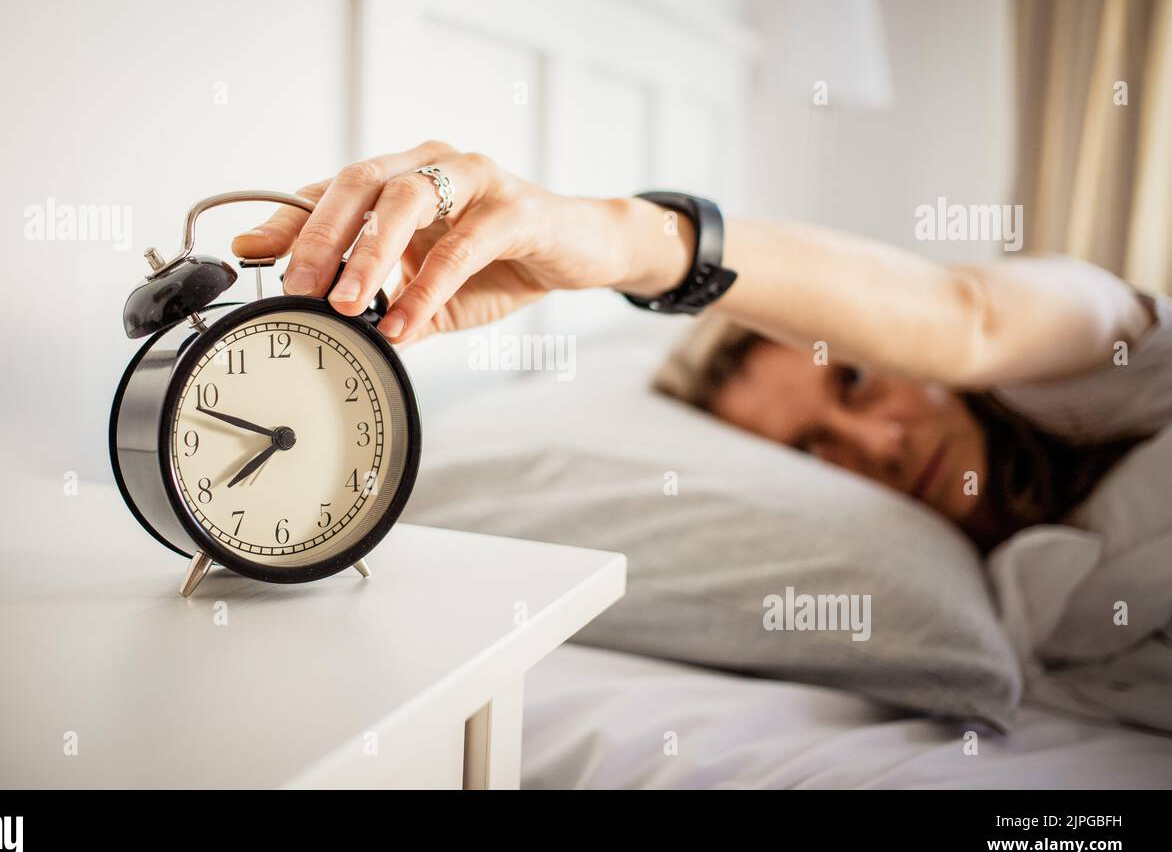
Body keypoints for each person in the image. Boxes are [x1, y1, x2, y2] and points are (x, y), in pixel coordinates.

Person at [233, 141, 1172, 551]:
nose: (879, 446)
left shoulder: (1115, 359)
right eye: (814, 452)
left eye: (852, 384)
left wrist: (629, 241)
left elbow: (970, 316)